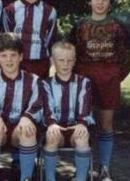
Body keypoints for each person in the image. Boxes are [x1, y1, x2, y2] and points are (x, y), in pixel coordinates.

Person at [68, 0, 130, 181]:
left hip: (109, 80)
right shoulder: (79, 26)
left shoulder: (118, 27)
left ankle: (104, 168)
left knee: (105, 125)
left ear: (110, 2)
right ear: (89, 1)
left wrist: (113, 76)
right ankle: (82, 168)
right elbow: (69, 55)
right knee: (82, 125)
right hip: (83, 80)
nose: (100, 2)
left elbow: (128, 59)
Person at [0, 32, 43, 181]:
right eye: (4, 56)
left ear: (21, 57)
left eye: (13, 55)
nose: (9, 60)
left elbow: (39, 105)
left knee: (28, 130)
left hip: (19, 129)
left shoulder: (33, 80)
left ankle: (26, 177)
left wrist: (27, 117)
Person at [42, 41, 95, 181]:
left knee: (82, 137)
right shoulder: (45, 84)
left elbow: (85, 105)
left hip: (75, 126)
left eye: (69, 60)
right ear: (52, 61)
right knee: (52, 136)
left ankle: (81, 177)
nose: (65, 64)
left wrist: (82, 123)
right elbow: (47, 107)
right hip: (55, 127)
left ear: (74, 61)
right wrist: (51, 123)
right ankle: (49, 178)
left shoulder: (84, 82)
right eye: (61, 60)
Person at [3, 0, 57, 78]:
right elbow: (7, 40)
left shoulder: (49, 11)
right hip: (17, 63)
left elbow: (51, 41)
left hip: (41, 63)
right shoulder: (10, 10)